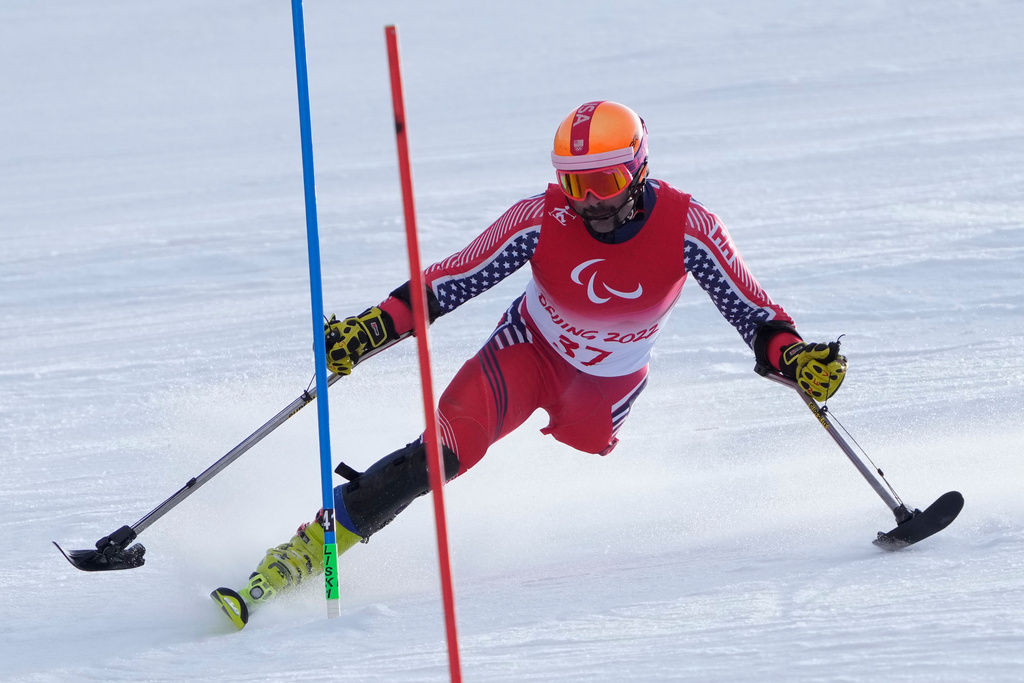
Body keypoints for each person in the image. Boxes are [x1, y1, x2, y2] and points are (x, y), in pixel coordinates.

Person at [211, 101, 847, 628]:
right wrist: (373, 328)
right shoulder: (542, 217)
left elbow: (754, 313)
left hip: (606, 387)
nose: (588, 201)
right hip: (526, 353)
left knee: (591, 443)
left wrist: (793, 357)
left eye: (603, 183)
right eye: (574, 184)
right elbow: (450, 281)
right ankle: (304, 553)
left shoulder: (689, 226)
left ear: (638, 168)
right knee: (444, 452)